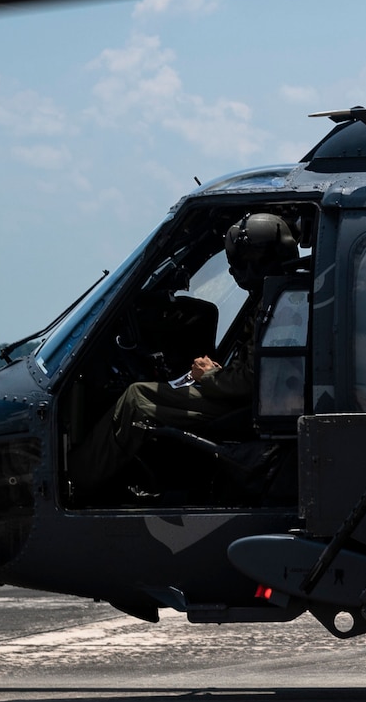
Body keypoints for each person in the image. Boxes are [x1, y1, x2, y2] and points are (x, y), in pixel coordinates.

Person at [72, 212, 300, 497]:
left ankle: (76, 485)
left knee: (137, 398)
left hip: (252, 408)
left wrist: (210, 376)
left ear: (256, 261)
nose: (233, 272)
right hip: (257, 402)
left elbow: (252, 382)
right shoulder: (283, 296)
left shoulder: (280, 304)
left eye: (238, 263)